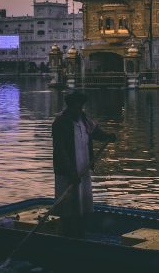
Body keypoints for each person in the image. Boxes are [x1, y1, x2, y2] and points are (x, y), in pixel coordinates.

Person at [52, 90, 116, 237]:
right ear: (69, 107)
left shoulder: (85, 120)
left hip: (83, 168)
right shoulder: (60, 122)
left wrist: (108, 136)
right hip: (67, 172)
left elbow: (97, 133)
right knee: (67, 207)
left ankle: (80, 231)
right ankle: (67, 233)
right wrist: (70, 172)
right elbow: (60, 150)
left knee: (82, 204)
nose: (79, 110)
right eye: (76, 107)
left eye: (80, 107)